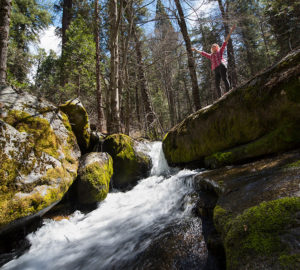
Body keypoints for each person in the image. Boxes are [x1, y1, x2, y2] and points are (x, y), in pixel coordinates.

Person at [192, 24, 236, 98]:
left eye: (215, 46)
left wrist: (231, 31)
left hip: (221, 65)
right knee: (217, 84)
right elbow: (203, 53)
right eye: (212, 47)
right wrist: (195, 50)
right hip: (215, 69)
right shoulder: (211, 55)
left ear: (217, 47)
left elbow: (225, 41)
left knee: (224, 78)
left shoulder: (220, 51)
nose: (213, 47)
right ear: (211, 49)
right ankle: (220, 97)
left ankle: (228, 92)